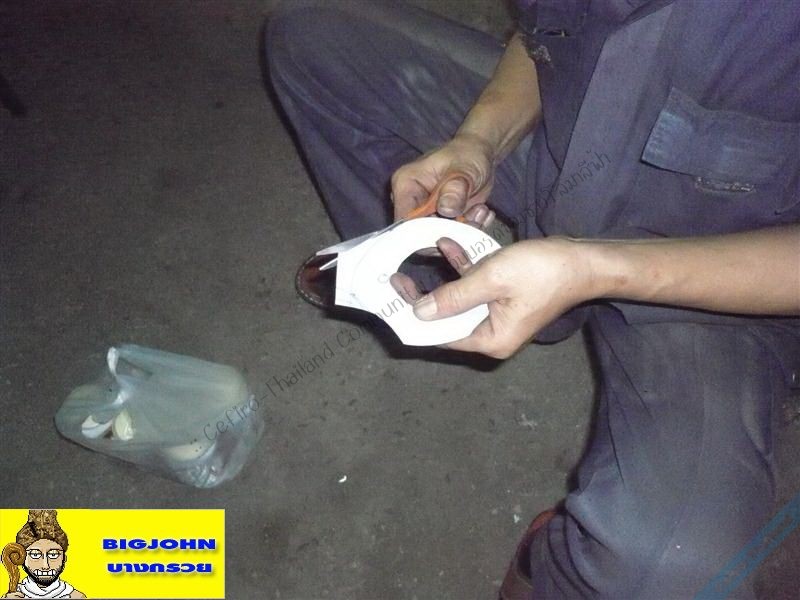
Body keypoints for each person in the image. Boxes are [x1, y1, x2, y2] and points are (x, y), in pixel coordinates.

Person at [266, 1, 800, 597]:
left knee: (669, 567)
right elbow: (549, 35)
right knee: (310, 40)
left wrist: (595, 269)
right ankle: (430, 288)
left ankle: (556, 569)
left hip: (725, 261)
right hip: (570, 149)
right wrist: (480, 141)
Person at [3, 510, 86, 599]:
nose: (45, 566)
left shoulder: (75, 597)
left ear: (64, 558)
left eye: (53, 555)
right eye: (35, 555)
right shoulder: (14, 596)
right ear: (23, 557)